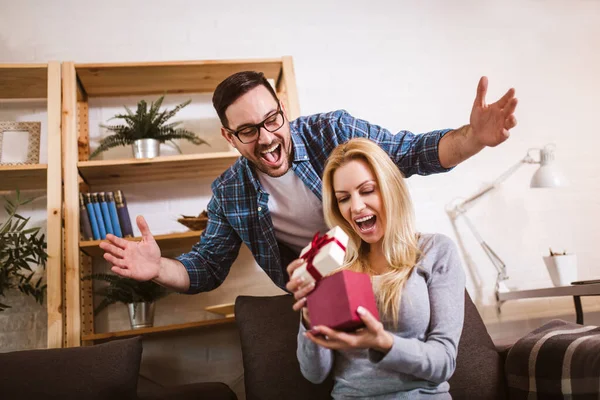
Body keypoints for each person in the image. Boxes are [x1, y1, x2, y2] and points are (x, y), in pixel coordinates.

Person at [99, 70, 515, 294]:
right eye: (246, 131)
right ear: (229, 137)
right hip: (324, 292)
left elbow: (409, 152)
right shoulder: (229, 193)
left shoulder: (332, 131)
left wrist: (473, 138)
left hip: (386, 268)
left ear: (282, 108)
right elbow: (206, 268)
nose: (265, 138)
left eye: (271, 120)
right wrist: (159, 269)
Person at [286, 137, 465, 399]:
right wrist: (310, 320)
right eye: (344, 198)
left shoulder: (436, 250)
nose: (356, 207)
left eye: (367, 190)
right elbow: (314, 373)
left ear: (390, 188)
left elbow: (444, 362)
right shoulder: (332, 265)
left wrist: (384, 343)